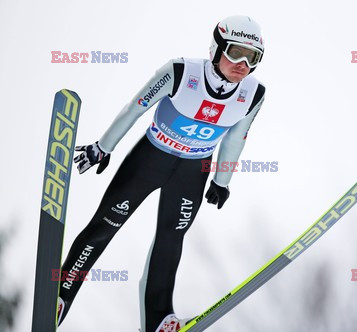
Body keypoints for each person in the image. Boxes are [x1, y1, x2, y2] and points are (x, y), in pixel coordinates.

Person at [56, 15, 266, 332]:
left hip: (193, 172)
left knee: (171, 240)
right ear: (216, 48)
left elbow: (237, 138)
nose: (242, 64)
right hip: (150, 161)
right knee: (105, 225)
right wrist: (103, 146)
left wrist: (222, 181)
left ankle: (157, 320)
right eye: (235, 52)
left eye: (252, 58)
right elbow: (136, 106)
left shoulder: (253, 93)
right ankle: (60, 295)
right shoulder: (180, 71)